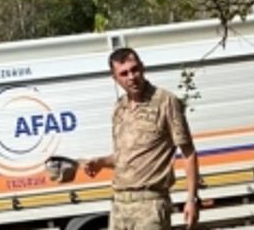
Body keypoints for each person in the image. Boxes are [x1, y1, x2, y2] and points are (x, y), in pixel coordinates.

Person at [84, 48, 200, 230]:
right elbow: (124, 157)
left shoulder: (165, 101)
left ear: (143, 68)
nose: (131, 77)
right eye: (124, 73)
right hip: (119, 205)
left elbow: (189, 153)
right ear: (115, 78)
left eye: (135, 69)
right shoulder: (119, 108)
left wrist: (192, 199)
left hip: (150, 205)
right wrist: (101, 162)